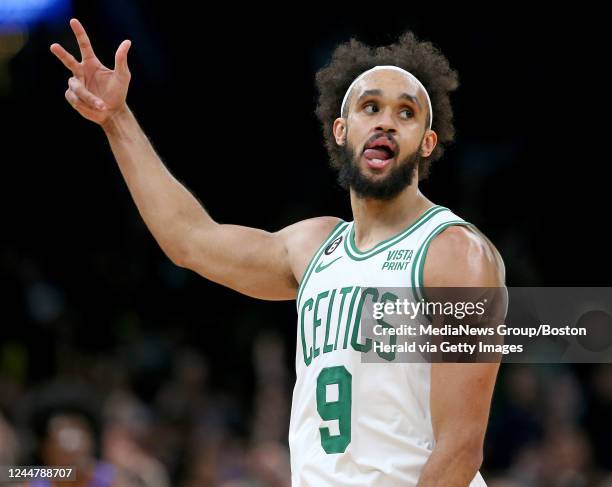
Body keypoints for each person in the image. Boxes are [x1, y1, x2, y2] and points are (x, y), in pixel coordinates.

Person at [51, 19, 506, 486]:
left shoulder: (455, 253)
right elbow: (190, 240)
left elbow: (460, 450)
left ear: (427, 144)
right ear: (342, 131)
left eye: (406, 113)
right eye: (371, 107)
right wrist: (116, 119)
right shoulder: (313, 247)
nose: (386, 121)